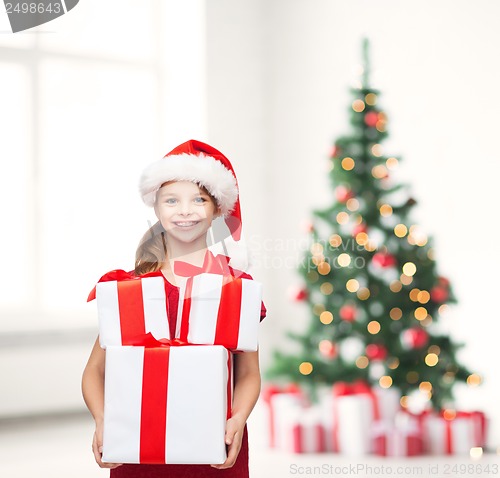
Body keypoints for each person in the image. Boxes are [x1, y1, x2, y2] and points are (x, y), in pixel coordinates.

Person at [82, 140, 267, 478]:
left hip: (215, 448)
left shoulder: (235, 287)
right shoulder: (128, 288)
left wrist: (237, 420)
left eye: (199, 199)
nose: (185, 211)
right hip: (137, 449)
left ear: (217, 209)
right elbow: (95, 370)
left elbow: (248, 372)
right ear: (156, 207)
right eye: (172, 200)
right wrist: (102, 420)